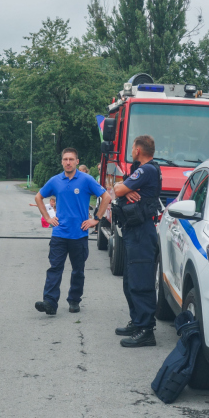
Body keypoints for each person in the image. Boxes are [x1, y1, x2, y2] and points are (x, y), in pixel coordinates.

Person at [33, 148, 111, 315]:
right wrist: (47, 218)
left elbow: (106, 197)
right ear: (62, 161)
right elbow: (38, 197)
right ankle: (50, 302)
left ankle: (74, 300)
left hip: (79, 234)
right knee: (55, 268)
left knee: (78, 270)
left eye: (71, 159)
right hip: (59, 234)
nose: (68, 162)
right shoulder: (55, 181)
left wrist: (96, 219)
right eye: (65, 159)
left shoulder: (86, 180)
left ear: (77, 161)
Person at [113, 135, 162, 347]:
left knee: (141, 282)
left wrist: (126, 188)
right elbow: (117, 187)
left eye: (132, 147)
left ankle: (146, 330)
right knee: (131, 281)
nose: (131, 150)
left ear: (138, 150)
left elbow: (117, 189)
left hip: (142, 231)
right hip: (134, 230)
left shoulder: (147, 169)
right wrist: (128, 188)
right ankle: (137, 321)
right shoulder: (140, 169)